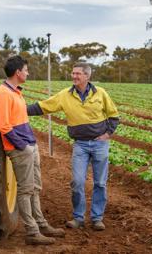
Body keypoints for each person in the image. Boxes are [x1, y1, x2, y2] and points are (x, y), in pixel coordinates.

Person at [27, 62, 119, 231]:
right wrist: (20, 109)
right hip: (80, 145)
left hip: (100, 144)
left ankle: (97, 218)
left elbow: (114, 116)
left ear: (87, 76)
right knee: (77, 182)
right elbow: (44, 106)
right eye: (73, 73)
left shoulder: (100, 93)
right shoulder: (65, 95)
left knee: (100, 183)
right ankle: (78, 218)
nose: (74, 76)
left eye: (78, 74)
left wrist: (107, 134)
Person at [0, 55, 65, 245]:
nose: (28, 73)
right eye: (26, 70)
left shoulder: (16, 92)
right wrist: (22, 146)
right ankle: (32, 232)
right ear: (17, 72)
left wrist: (30, 145)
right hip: (20, 149)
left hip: (30, 146)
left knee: (35, 188)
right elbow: (4, 126)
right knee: (25, 190)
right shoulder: (3, 94)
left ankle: (41, 224)